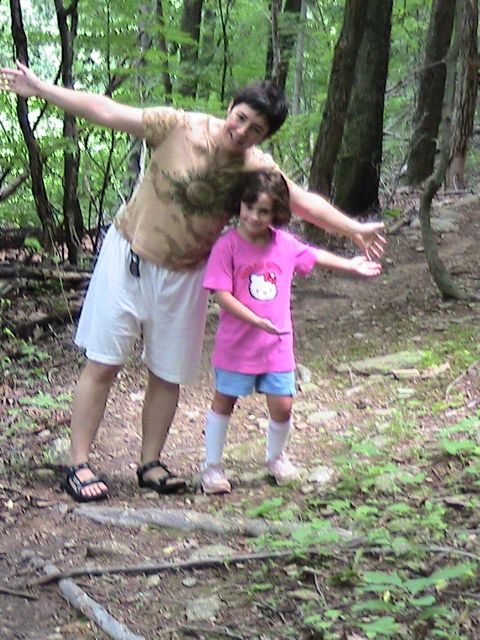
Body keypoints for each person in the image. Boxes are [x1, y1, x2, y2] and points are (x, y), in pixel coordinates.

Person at [0, 60, 386, 502]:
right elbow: (106, 110)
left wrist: (353, 229)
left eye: (255, 129)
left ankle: (151, 463)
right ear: (232, 107)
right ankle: (78, 462)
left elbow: (302, 202)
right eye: (241, 118)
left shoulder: (253, 167)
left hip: (185, 273)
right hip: (128, 256)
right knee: (103, 363)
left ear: (263, 137)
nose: (242, 131)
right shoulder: (177, 126)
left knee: (167, 374)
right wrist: (42, 89)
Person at [201, 171, 382, 494]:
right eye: (249, 207)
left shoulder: (283, 244)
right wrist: (255, 320)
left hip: (277, 345)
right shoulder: (227, 247)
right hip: (236, 346)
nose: (253, 217)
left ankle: (276, 458)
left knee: (283, 406)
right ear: (239, 204)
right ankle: (212, 467)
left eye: (263, 211)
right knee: (224, 400)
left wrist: (351, 265)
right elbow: (222, 295)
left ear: (277, 213)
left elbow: (313, 255)